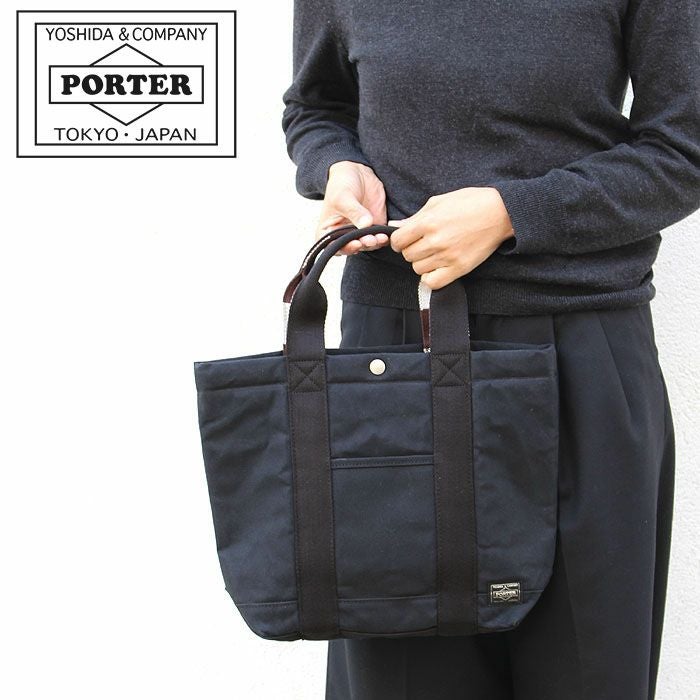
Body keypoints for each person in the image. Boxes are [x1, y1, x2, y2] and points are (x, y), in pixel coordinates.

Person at [281, 1, 700, 698]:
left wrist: (512, 213)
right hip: (392, 355)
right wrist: (337, 166)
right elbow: (316, 106)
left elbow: (684, 149)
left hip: (582, 354)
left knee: (590, 672)